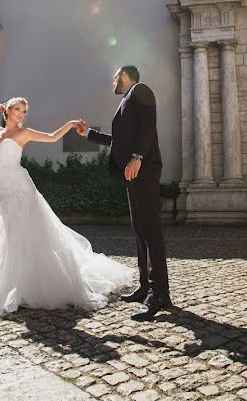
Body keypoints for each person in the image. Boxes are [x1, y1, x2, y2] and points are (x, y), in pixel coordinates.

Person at [0, 97, 134, 316]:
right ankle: (15, 282)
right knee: (10, 235)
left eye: (24, 111)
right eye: (17, 110)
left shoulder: (24, 133)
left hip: (20, 188)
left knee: (25, 234)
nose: (21, 114)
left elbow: (51, 137)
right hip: (4, 192)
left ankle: (26, 285)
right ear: (8, 111)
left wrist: (69, 125)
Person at [76, 65, 171, 321]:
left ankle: (160, 293)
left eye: (115, 77)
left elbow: (149, 128)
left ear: (125, 76)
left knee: (150, 229)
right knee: (139, 229)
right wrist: (89, 135)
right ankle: (145, 286)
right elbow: (120, 140)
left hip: (144, 168)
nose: (113, 82)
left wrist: (138, 157)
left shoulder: (141, 91)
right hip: (132, 171)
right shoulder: (127, 100)